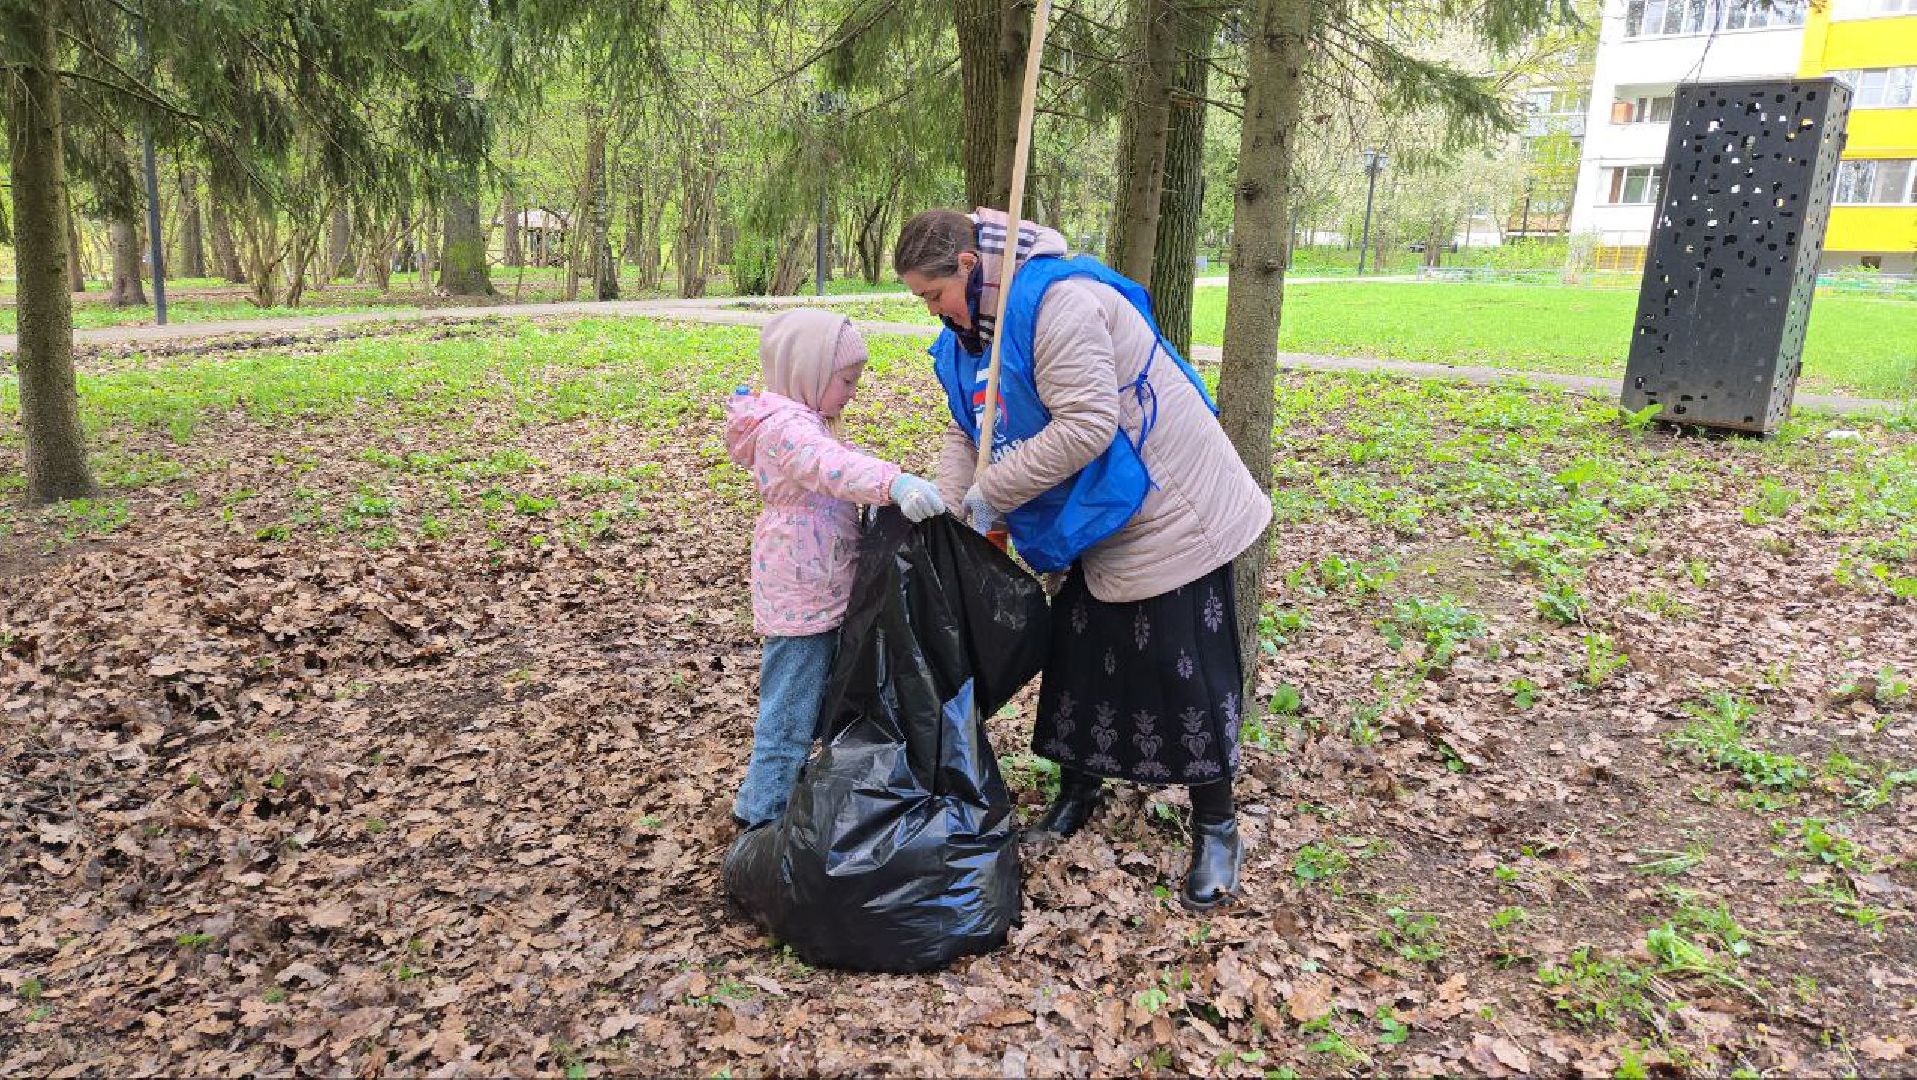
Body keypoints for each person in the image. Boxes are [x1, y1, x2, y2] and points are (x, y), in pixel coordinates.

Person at [893, 208, 1271, 910]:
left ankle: (1217, 825)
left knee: (1180, 664)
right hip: (1085, 514)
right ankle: (1078, 791)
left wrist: (989, 493)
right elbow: (965, 423)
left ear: (968, 268)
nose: (930, 310)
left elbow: (1088, 424)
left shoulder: (1060, 304)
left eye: (931, 294)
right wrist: (953, 511)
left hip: (1165, 502)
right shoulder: (968, 333)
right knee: (1077, 657)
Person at [724, 308, 947, 828]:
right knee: (790, 710)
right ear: (810, 372)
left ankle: (798, 801)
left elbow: (835, 459)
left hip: (822, 586)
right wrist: (893, 482)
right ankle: (761, 818)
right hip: (800, 595)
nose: (853, 390)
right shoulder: (784, 428)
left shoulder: (806, 423)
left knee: (821, 698)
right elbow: (829, 467)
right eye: (846, 379)